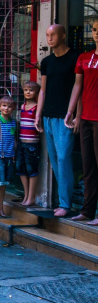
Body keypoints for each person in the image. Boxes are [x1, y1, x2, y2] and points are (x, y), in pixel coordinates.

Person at [37, 24, 79, 217]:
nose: (50, 38)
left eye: (53, 34)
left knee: (63, 158)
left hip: (65, 117)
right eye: (47, 34)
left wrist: (76, 113)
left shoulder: (75, 58)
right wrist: (38, 114)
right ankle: (63, 201)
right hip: (48, 115)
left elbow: (79, 89)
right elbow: (43, 90)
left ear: (63, 34)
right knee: (54, 159)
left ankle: (66, 203)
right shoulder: (46, 62)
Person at [66, 21, 98, 226]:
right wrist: (72, 112)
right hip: (86, 117)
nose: (97, 34)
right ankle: (87, 211)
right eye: (94, 30)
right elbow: (78, 86)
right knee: (88, 167)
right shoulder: (84, 58)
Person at [0, 95, 18, 218]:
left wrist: (14, 152)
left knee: (4, 183)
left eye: (9, 106)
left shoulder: (13, 123)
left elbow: (13, 139)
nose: (6, 108)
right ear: (0, 107)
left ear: (13, 109)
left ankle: (0, 207)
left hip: (9, 156)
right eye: (4, 106)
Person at [17, 81, 41, 207]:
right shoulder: (22, 107)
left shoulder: (36, 107)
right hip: (22, 142)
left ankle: (31, 197)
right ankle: (26, 195)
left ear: (36, 92)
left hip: (32, 144)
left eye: (31, 90)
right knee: (20, 169)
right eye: (26, 90)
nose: (28, 92)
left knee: (31, 170)